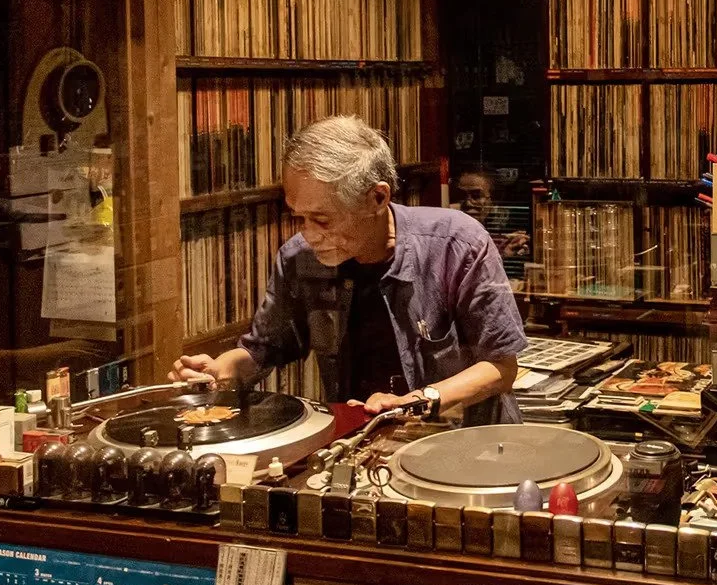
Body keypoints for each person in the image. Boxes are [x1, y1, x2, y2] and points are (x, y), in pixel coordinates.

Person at [171, 115, 528, 424]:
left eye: (322, 219)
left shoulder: (457, 243)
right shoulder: (298, 258)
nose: (308, 234)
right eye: (300, 217)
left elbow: (501, 367)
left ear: (377, 198)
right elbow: (264, 349)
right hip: (363, 441)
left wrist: (419, 401)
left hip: (468, 444)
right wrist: (223, 369)